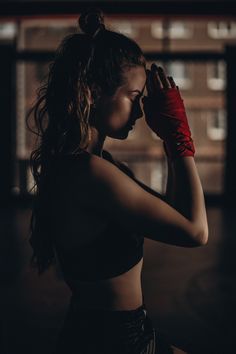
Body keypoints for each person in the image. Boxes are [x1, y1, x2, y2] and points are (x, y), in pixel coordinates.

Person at [27, 8, 208, 354]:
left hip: (120, 332)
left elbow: (174, 211)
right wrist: (178, 138)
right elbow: (195, 231)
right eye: (134, 98)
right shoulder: (90, 174)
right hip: (110, 341)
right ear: (94, 93)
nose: (140, 112)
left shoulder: (93, 165)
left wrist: (172, 139)